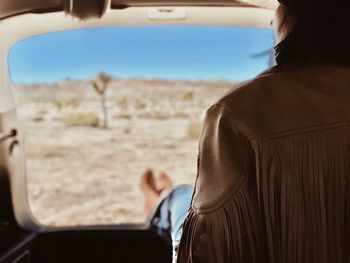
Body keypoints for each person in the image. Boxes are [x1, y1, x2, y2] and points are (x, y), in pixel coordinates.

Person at [142, 0, 350, 261]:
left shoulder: (236, 112)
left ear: (297, 17)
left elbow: (207, 251)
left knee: (182, 200)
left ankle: (162, 198)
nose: (272, 20)